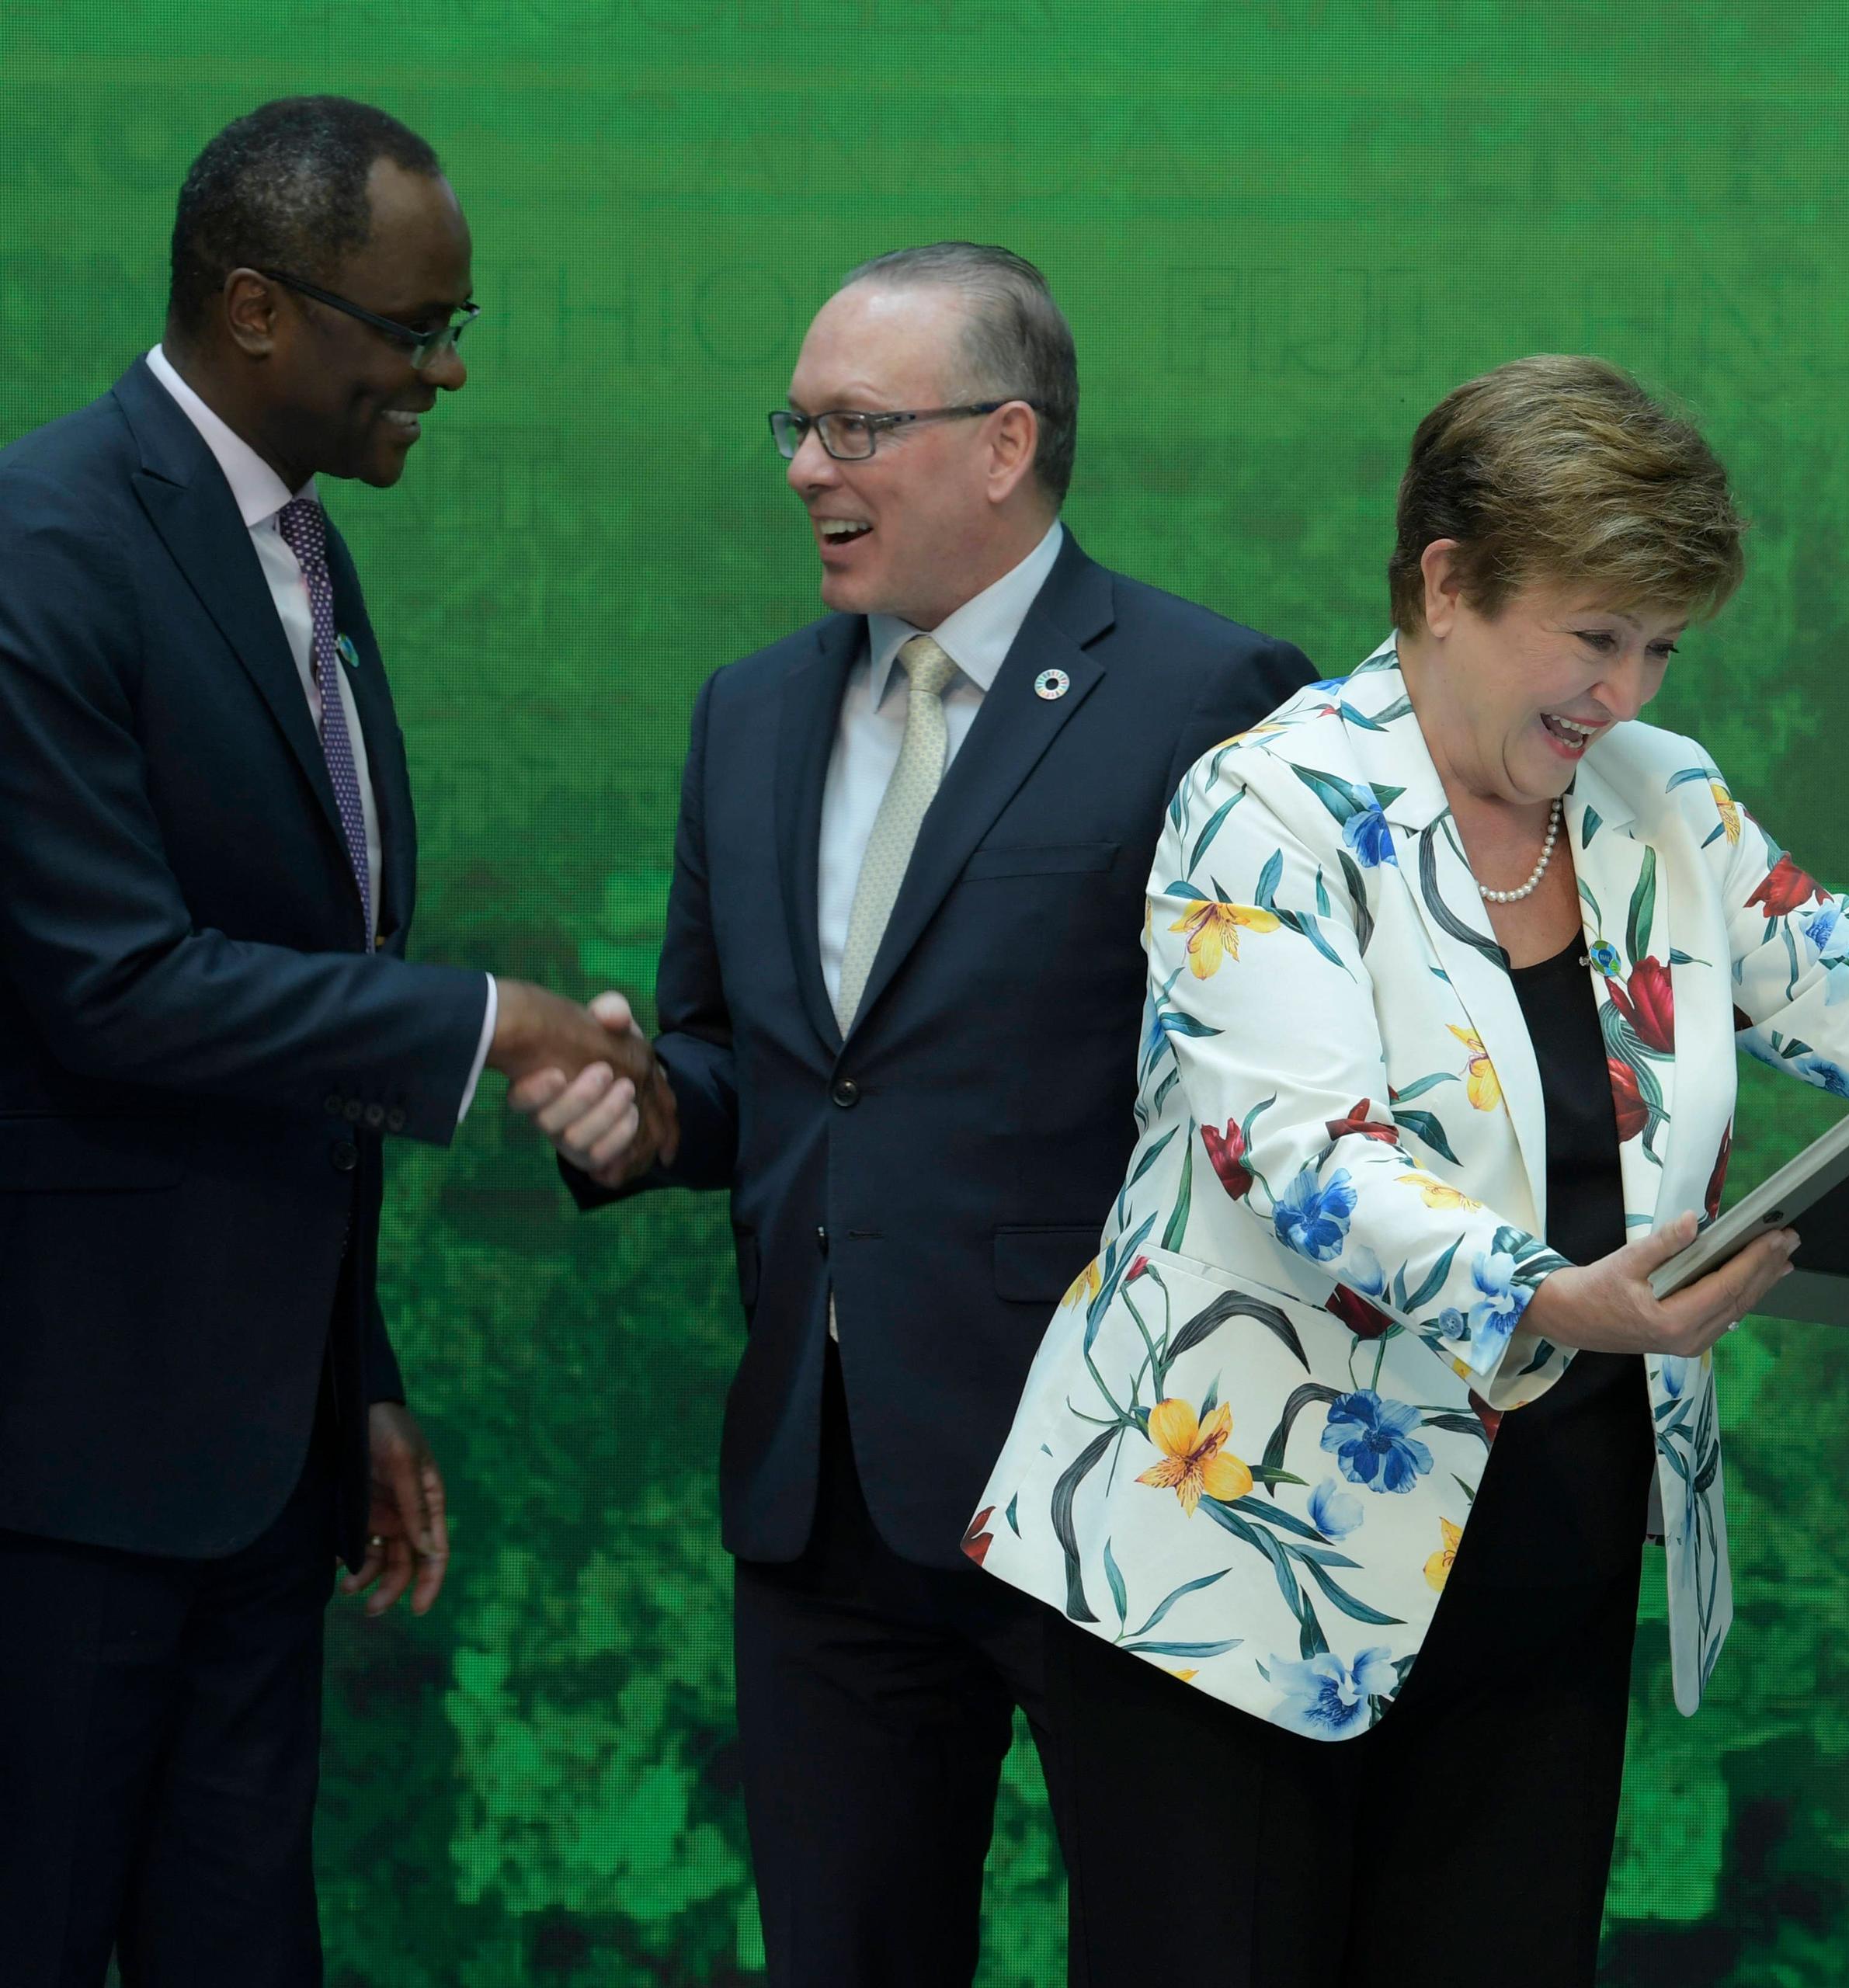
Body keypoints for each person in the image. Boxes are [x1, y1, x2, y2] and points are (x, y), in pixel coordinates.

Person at [964, 354, 1849, 1988]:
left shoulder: (1663, 799)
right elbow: (1295, 1153)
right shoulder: (1265, 803)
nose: (1623, 689)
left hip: (1546, 1563)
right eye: (1594, 635)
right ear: (1445, 583)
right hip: (1229, 1568)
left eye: (1660, 643)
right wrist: (1554, 1292)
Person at [513, 243, 1311, 1984]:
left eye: (855, 425)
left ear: (1007, 443)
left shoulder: (1213, 699)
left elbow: (1287, 1104)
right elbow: (753, 1069)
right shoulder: (747, 711)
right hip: (825, 1495)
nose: (807, 465)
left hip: (1124, 1480)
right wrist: (644, 1112)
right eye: (796, 426)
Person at [0, 97, 666, 1986]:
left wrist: (344, 1370)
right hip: (60, 1471)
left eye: (463, 323)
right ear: (258, 310)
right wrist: (491, 1021)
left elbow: (295, 988)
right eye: (413, 326)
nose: (448, 369)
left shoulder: (299, 545)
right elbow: (112, 981)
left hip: (256, 1460)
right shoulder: (40, 546)